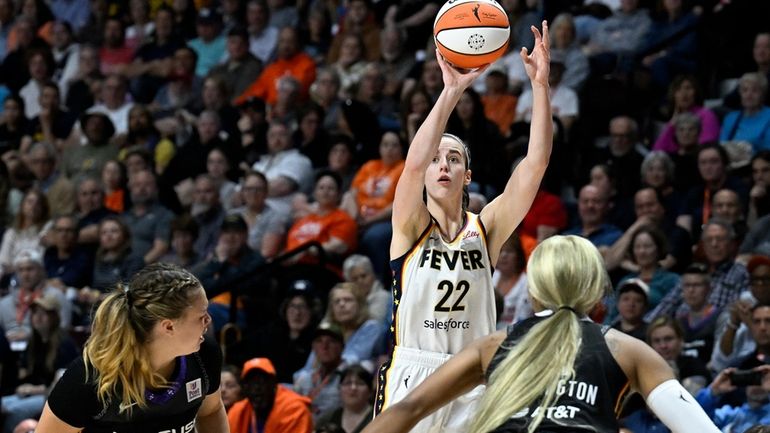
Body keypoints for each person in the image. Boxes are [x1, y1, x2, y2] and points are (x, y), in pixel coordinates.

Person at [374, 22, 553, 433]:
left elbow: (535, 165)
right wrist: (451, 92)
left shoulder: (485, 227)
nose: (442, 165)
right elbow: (413, 165)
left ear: (467, 175)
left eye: (453, 158)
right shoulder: (411, 225)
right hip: (413, 373)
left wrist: (540, 87)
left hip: (473, 376)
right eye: (437, 158)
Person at [363, 235, 721, 433]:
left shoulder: (493, 345)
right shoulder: (628, 349)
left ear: (532, 291)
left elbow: (408, 407)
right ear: (597, 292)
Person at [35, 263, 226, 432]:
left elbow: (211, 411)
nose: (208, 321)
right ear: (168, 326)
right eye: (201, 316)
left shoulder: (203, 355)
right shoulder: (91, 378)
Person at [228, 357, 313, 433]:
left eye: (262, 381)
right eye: (251, 383)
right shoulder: (237, 412)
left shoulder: (295, 410)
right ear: (244, 388)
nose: (257, 388)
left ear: (273, 383)